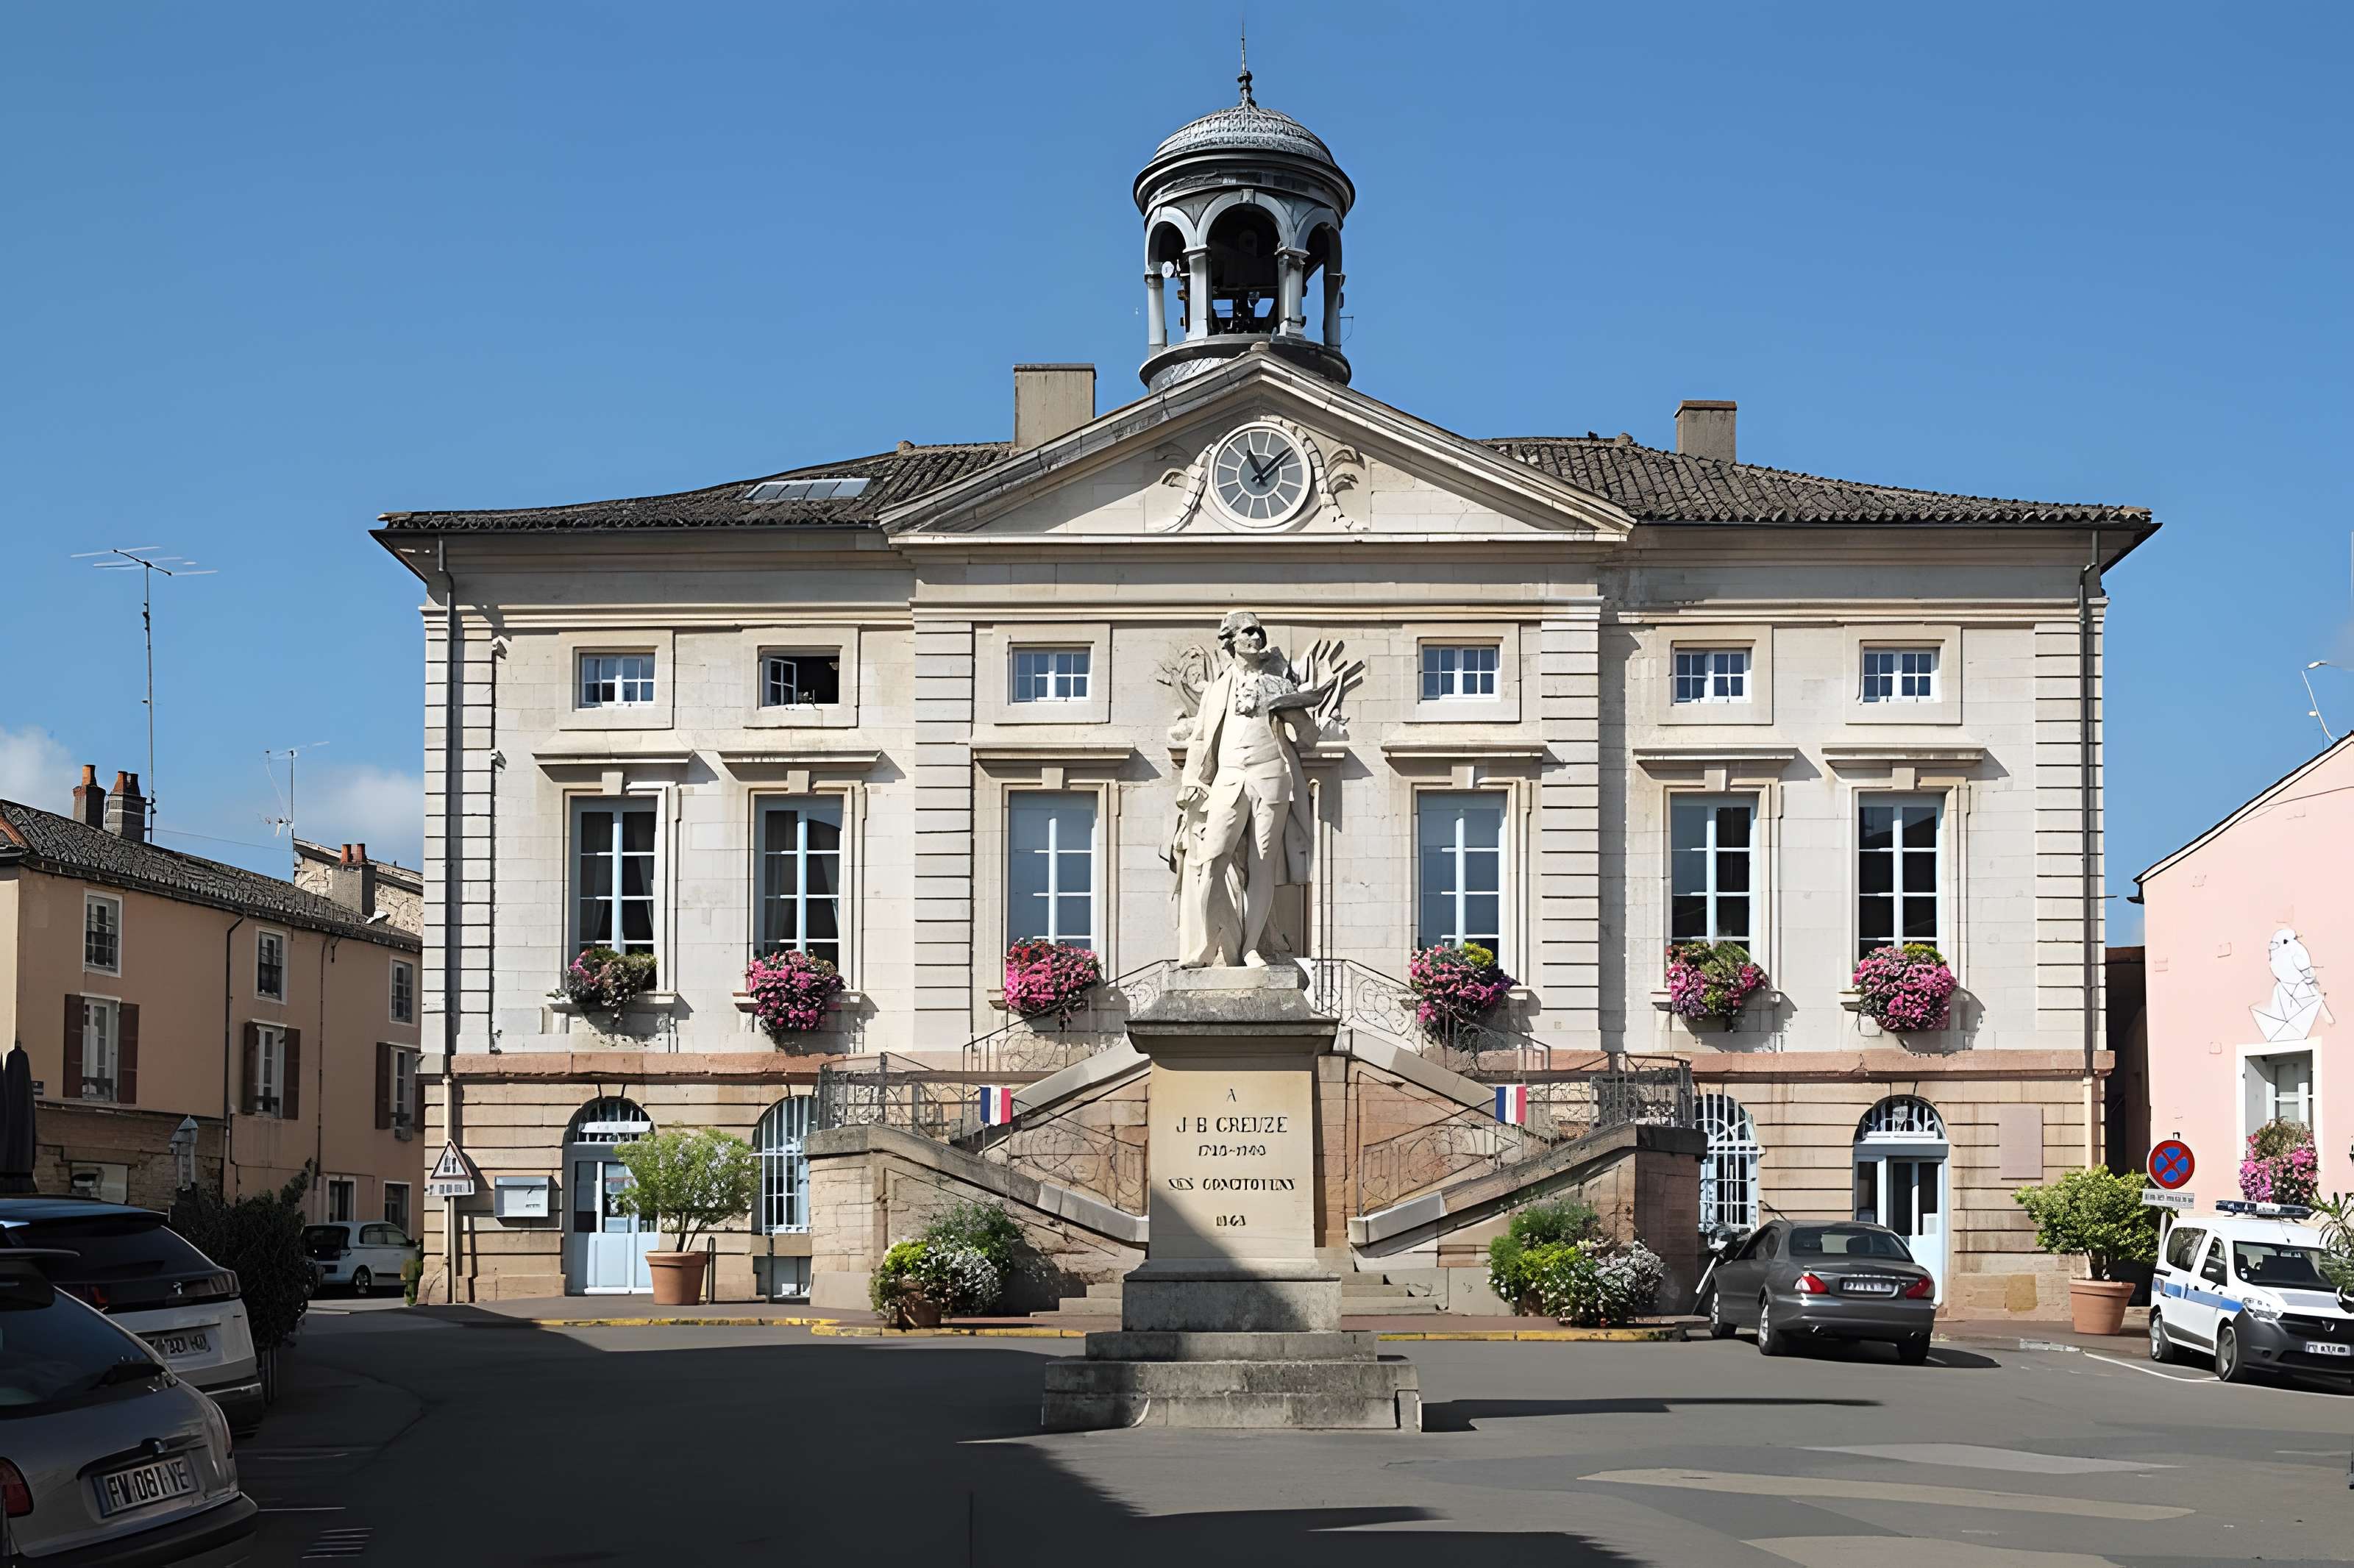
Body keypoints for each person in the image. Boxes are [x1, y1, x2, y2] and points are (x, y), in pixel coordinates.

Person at [1168, 610, 1325, 968]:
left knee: (1263, 866)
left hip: (1271, 777)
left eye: (1259, 632)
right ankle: (1212, 943)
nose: (1256, 638)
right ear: (1232, 641)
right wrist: (1191, 781)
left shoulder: (1280, 686)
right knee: (1212, 860)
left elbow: (1309, 740)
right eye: (1248, 633)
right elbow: (1201, 740)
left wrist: (1295, 712)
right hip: (1230, 776)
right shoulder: (1218, 687)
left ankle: (1252, 946)